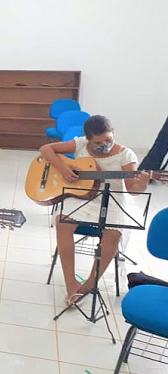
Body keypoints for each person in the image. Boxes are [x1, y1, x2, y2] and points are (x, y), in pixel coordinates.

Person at [39, 115, 150, 305]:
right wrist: (63, 167)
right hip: (82, 195)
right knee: (62, 223)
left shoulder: (126, 154)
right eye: (98, 142)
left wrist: (142, 184)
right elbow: (45, 149)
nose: (104, 144)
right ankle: (70, 284)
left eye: (108, 139)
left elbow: (132, 190)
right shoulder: (80, 144)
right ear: (88, 139)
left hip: (112, 198)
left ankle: (91, 283)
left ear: (113, 131)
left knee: (113, 234)